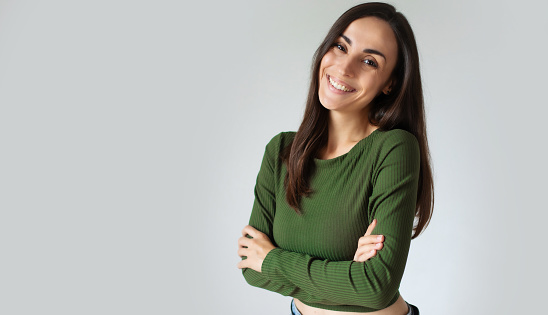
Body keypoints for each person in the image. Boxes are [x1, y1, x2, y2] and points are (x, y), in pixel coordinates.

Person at [236, 2, 434, 315]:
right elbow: (250, 267)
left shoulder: (393, 148)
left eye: (369, 61)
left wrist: (272, 259)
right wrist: (346, 276)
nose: (344, 67)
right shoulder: (281, 152)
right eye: (341, 46)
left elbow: (375, 287)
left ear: (390, 83)